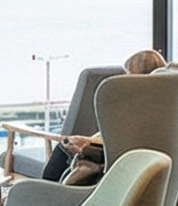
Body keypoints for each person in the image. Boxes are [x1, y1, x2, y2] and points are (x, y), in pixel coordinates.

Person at [49, 48, 168, 186]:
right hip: (132, 163)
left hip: (115, 169)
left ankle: (43, 193)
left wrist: (88, 145)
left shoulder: (136, 109)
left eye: (127, 73)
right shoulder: (167, 108)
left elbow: (122, 145)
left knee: (63, 149)